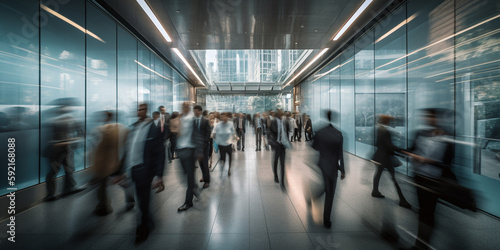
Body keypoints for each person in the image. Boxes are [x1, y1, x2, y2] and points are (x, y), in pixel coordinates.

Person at [404, 109, 456, 250]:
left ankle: (422, 244)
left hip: (434, 179)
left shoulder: (446, 136)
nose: (428, 119)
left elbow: (448, 162)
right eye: (427, 116)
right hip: (420, 176)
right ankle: (420, 243)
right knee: (423, 210)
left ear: (437, 118)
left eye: (431, 116)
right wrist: (410, 155)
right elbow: (411, 150)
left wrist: (428, 161)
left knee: (428, 211)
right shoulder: (420, 133)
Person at [122, 103, 165, 243]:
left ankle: (143, 228)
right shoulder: (133, 128)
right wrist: (122, 172)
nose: (138, 111)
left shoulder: (153, 129)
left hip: (144, 171)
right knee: (138, 200)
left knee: (143, 201)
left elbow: (159, 152)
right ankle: (147, 221)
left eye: (141, 109)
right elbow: (128, 150)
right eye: (138, 109)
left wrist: (159, 175)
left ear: (146, 111)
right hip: (131, 170)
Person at [89, 111, 133, 216]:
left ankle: (105, 206)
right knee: (119, 183)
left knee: (102, 185)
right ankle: (130, 198)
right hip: (115, 163)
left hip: (106, 164)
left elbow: (99, 149)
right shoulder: (121, 128)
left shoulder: (104, 130)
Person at [311, 110, 346, 228]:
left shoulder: (320, 132)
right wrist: (343, 170)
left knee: (326, 188)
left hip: (322, 164)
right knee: (330, 192)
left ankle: (313, 198)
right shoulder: (339, 134)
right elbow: (340, 154)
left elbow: (314, 147)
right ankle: (327, 219)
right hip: (333, 167)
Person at [371, 115, 412, 209]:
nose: (390, 122)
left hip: (379, 157)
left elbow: (377, 143)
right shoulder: (385, 131)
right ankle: (402, 200)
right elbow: (389, 146)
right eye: (389, 120)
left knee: (378, 174)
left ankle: (375, 191)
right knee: (393, 178)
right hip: (385, 158)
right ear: (386, 121)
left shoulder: (379, 129)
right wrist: (402, 151)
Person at [45, 105, 85, 201]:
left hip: (64, 148)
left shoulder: (56, 120)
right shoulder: (66, 120)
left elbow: (79, 133)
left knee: (68, 169)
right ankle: (52, 194)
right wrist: (73, 140)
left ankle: (68, 189)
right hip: (59, 149)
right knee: (55, 171)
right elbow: (80, 133)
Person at [177, 102, 200, 212]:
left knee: (189, 176)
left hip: (190, 150)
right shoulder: (181, 118)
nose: (184, 108)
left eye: (186, 106)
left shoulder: (192, 119)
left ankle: (188, 202)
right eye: (183, 106)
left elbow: (197, 134)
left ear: (189, 107)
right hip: (181, 150)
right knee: (185, 175)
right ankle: (194, 187)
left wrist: (199, 151)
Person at [268, 110, 290, 187]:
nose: (282, 115)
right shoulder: (273, 121)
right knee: (276, 161)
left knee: (282, 163)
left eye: (282, 114)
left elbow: (287, 132)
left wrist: (287, 141)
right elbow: (271, 132)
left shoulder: (285, 122)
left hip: (283, 145)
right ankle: (276, 176)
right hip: (276, 144)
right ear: (277, 115)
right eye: (280, 114)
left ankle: (282, 180)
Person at [193, 105, 211, 189]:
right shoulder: (193, 121)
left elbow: (208, 133)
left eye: (196, 111)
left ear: (200, 111)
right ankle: (204, 176)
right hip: (197, 147)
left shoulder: (206, 121)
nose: (195, 113)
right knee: (200, 164)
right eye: (194, 111)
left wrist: (204, 143)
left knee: (205, 163)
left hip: (204, 146)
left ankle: (207, 180)